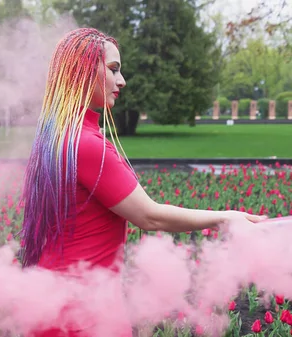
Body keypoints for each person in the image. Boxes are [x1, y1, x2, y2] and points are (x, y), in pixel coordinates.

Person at [18, 27, 267, 337]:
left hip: (50, 302)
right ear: (81, 70)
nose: (121, 81)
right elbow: (149, 216)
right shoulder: (87, 144)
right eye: (113, 69)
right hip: (86, 315)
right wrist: (225, 217)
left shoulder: (56, 139)